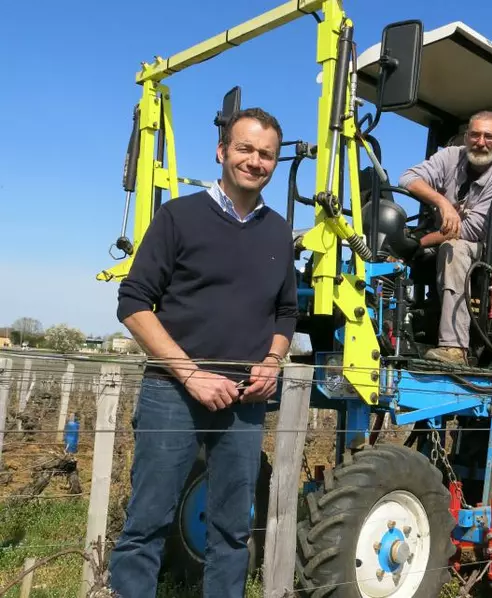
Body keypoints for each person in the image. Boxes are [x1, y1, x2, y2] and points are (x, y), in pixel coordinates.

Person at [108, 107, 298, 598]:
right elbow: (132, 303)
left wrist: (273, 361)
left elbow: (286, 313)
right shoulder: (178, 217)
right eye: (245, 149)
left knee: (233, 530)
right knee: (147, 522)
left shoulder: (278, 232)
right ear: (222, 152)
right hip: (171, 393)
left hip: (243, 401)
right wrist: (190, 374)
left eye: (266, 155)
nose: (255, 161)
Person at [398, 111, 492, 365]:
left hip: (484, 248)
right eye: (475, 135)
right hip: (442, 234)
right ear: (466, 137)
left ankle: (455, 348)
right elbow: (408, 178)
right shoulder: (451, 156)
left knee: (454, 248)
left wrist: (418, 243)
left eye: (488, 136)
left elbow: (473, 229)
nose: (481, 142)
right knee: (389, 241)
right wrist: (443, 203)